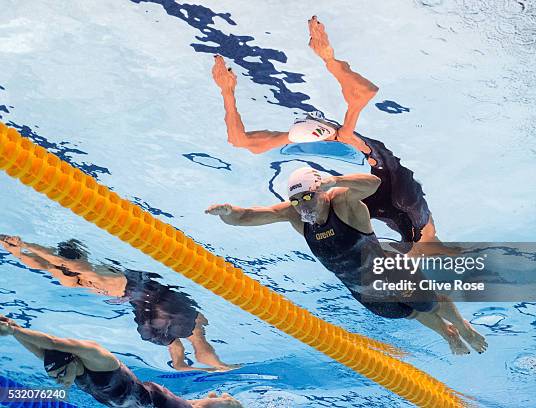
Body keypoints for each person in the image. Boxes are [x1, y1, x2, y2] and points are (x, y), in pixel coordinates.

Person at [211, 16, 450, 255]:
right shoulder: (314, 137)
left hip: (385, 177)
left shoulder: (331, 135)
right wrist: (227, 91)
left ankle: (427, 251)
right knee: (410, 229)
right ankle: (425, 252)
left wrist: (227, 92)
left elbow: (365, 92)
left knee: (418, 232)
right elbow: (239, 141)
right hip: (377, 185)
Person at [206, 167, 487, 355]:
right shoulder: (295, 214)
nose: (303, 205)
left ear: (321, 190)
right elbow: (248, 215)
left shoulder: (341, 200)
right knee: (411, 313)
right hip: (364, 291)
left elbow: (374, 183)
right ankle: (447, 335)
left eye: (308, 197)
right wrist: (228, 212)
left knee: (428, 301)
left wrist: (336, 181)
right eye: (296, 201)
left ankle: (462, 326)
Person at [0, 235, 235, 372]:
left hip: (140, 307)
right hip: (150, 295)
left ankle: (180, 364)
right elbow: (59, 260)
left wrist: (17, 251)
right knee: (195, 332)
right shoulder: (88, 271)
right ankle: (216, 364)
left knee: (170, 340)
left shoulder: (75, 279)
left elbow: (48, 263)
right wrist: (23, 246)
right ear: (80, 256)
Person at [0, 315, 242, 408]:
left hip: (155, 401)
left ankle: (224, 403)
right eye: (57, 377)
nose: (61, 379)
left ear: (73, 361)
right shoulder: (66, 367)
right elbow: (42, 352)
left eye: (62, 373)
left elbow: (52, 342)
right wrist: (14, 328)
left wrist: (13, 332)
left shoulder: (98, 357)